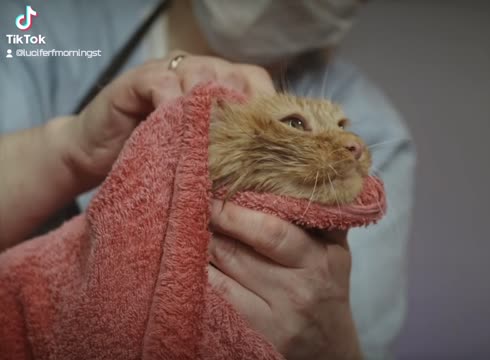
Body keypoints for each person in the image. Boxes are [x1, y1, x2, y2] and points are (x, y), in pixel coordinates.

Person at [0, 1, 416, 359]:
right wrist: (70, 149)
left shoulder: (378, 124)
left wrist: (332, 346)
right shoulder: (42, 24)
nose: (349, 142)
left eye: (344, 127)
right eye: (296, 123)